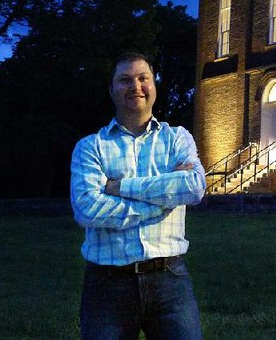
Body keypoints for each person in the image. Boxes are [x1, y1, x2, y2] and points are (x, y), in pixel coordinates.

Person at [70, 52, 206, 339]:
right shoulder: (91, 147)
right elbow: (87, 209)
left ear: (154, 85)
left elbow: (193, 187)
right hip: (107, 284)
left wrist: (121, 188)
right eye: (125, 80)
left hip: (170, 281)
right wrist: (164, 202)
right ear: (111, 89)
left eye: (143, 78)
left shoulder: (177, 138)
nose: (136, 86)